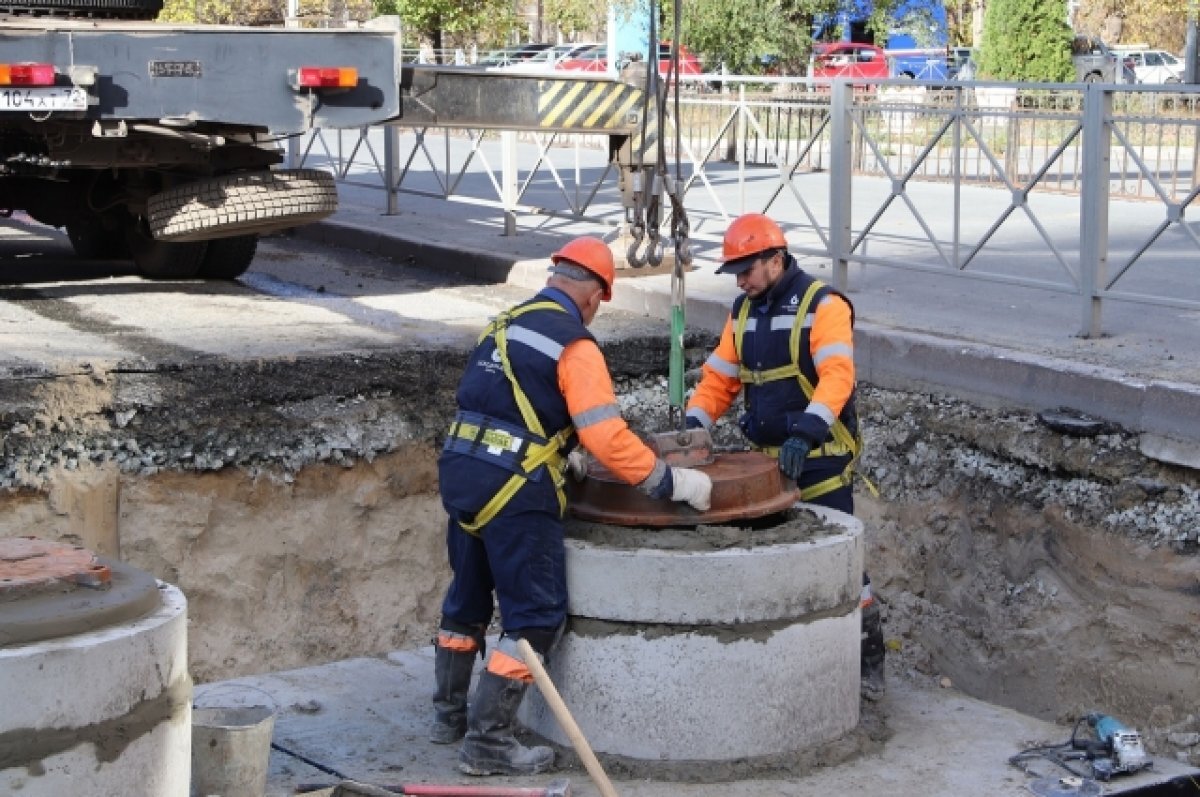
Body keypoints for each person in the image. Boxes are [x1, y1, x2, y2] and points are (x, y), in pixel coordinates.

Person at [431, 235, 714, 776]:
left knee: (465, 601)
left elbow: (508, 407)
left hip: (463, 473)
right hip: (513, 489)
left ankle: (448, 718)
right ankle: (487, 742)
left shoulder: (505, 323)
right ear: (594, 296)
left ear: (555, 278)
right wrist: (669, 482)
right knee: (535, 617)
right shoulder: (574, 344)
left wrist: (561, 452)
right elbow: (607, 437)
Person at [683, 212, 886, 701]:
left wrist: (807, 434)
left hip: (819, 459)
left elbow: (838, 376)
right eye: (735, 272)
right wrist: (694, 427)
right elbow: (720, 380)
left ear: (776, 259)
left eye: (748, 269)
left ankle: (867, 666)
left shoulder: (824, 305)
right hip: (766, 463)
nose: (741, 279)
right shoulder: (744, 309)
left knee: (839, 564)